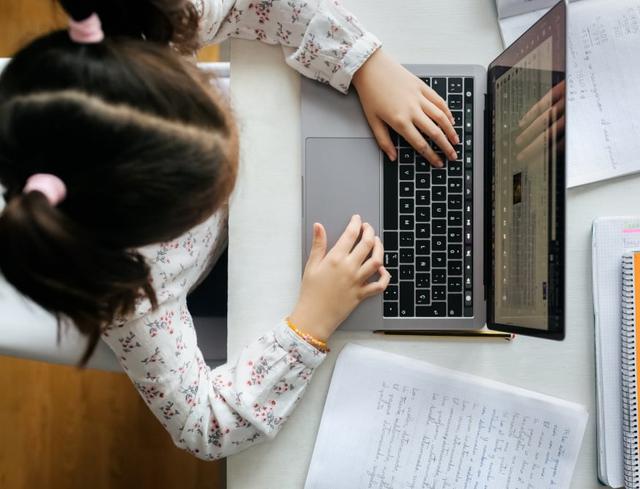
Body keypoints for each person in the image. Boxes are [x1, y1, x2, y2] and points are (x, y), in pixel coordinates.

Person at [0, 0, 457, 459]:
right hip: (219, 279)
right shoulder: (129, 294)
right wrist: (313, 322)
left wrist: (362, 61)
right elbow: (203, 426)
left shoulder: (142, 29)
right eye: (213, 186)